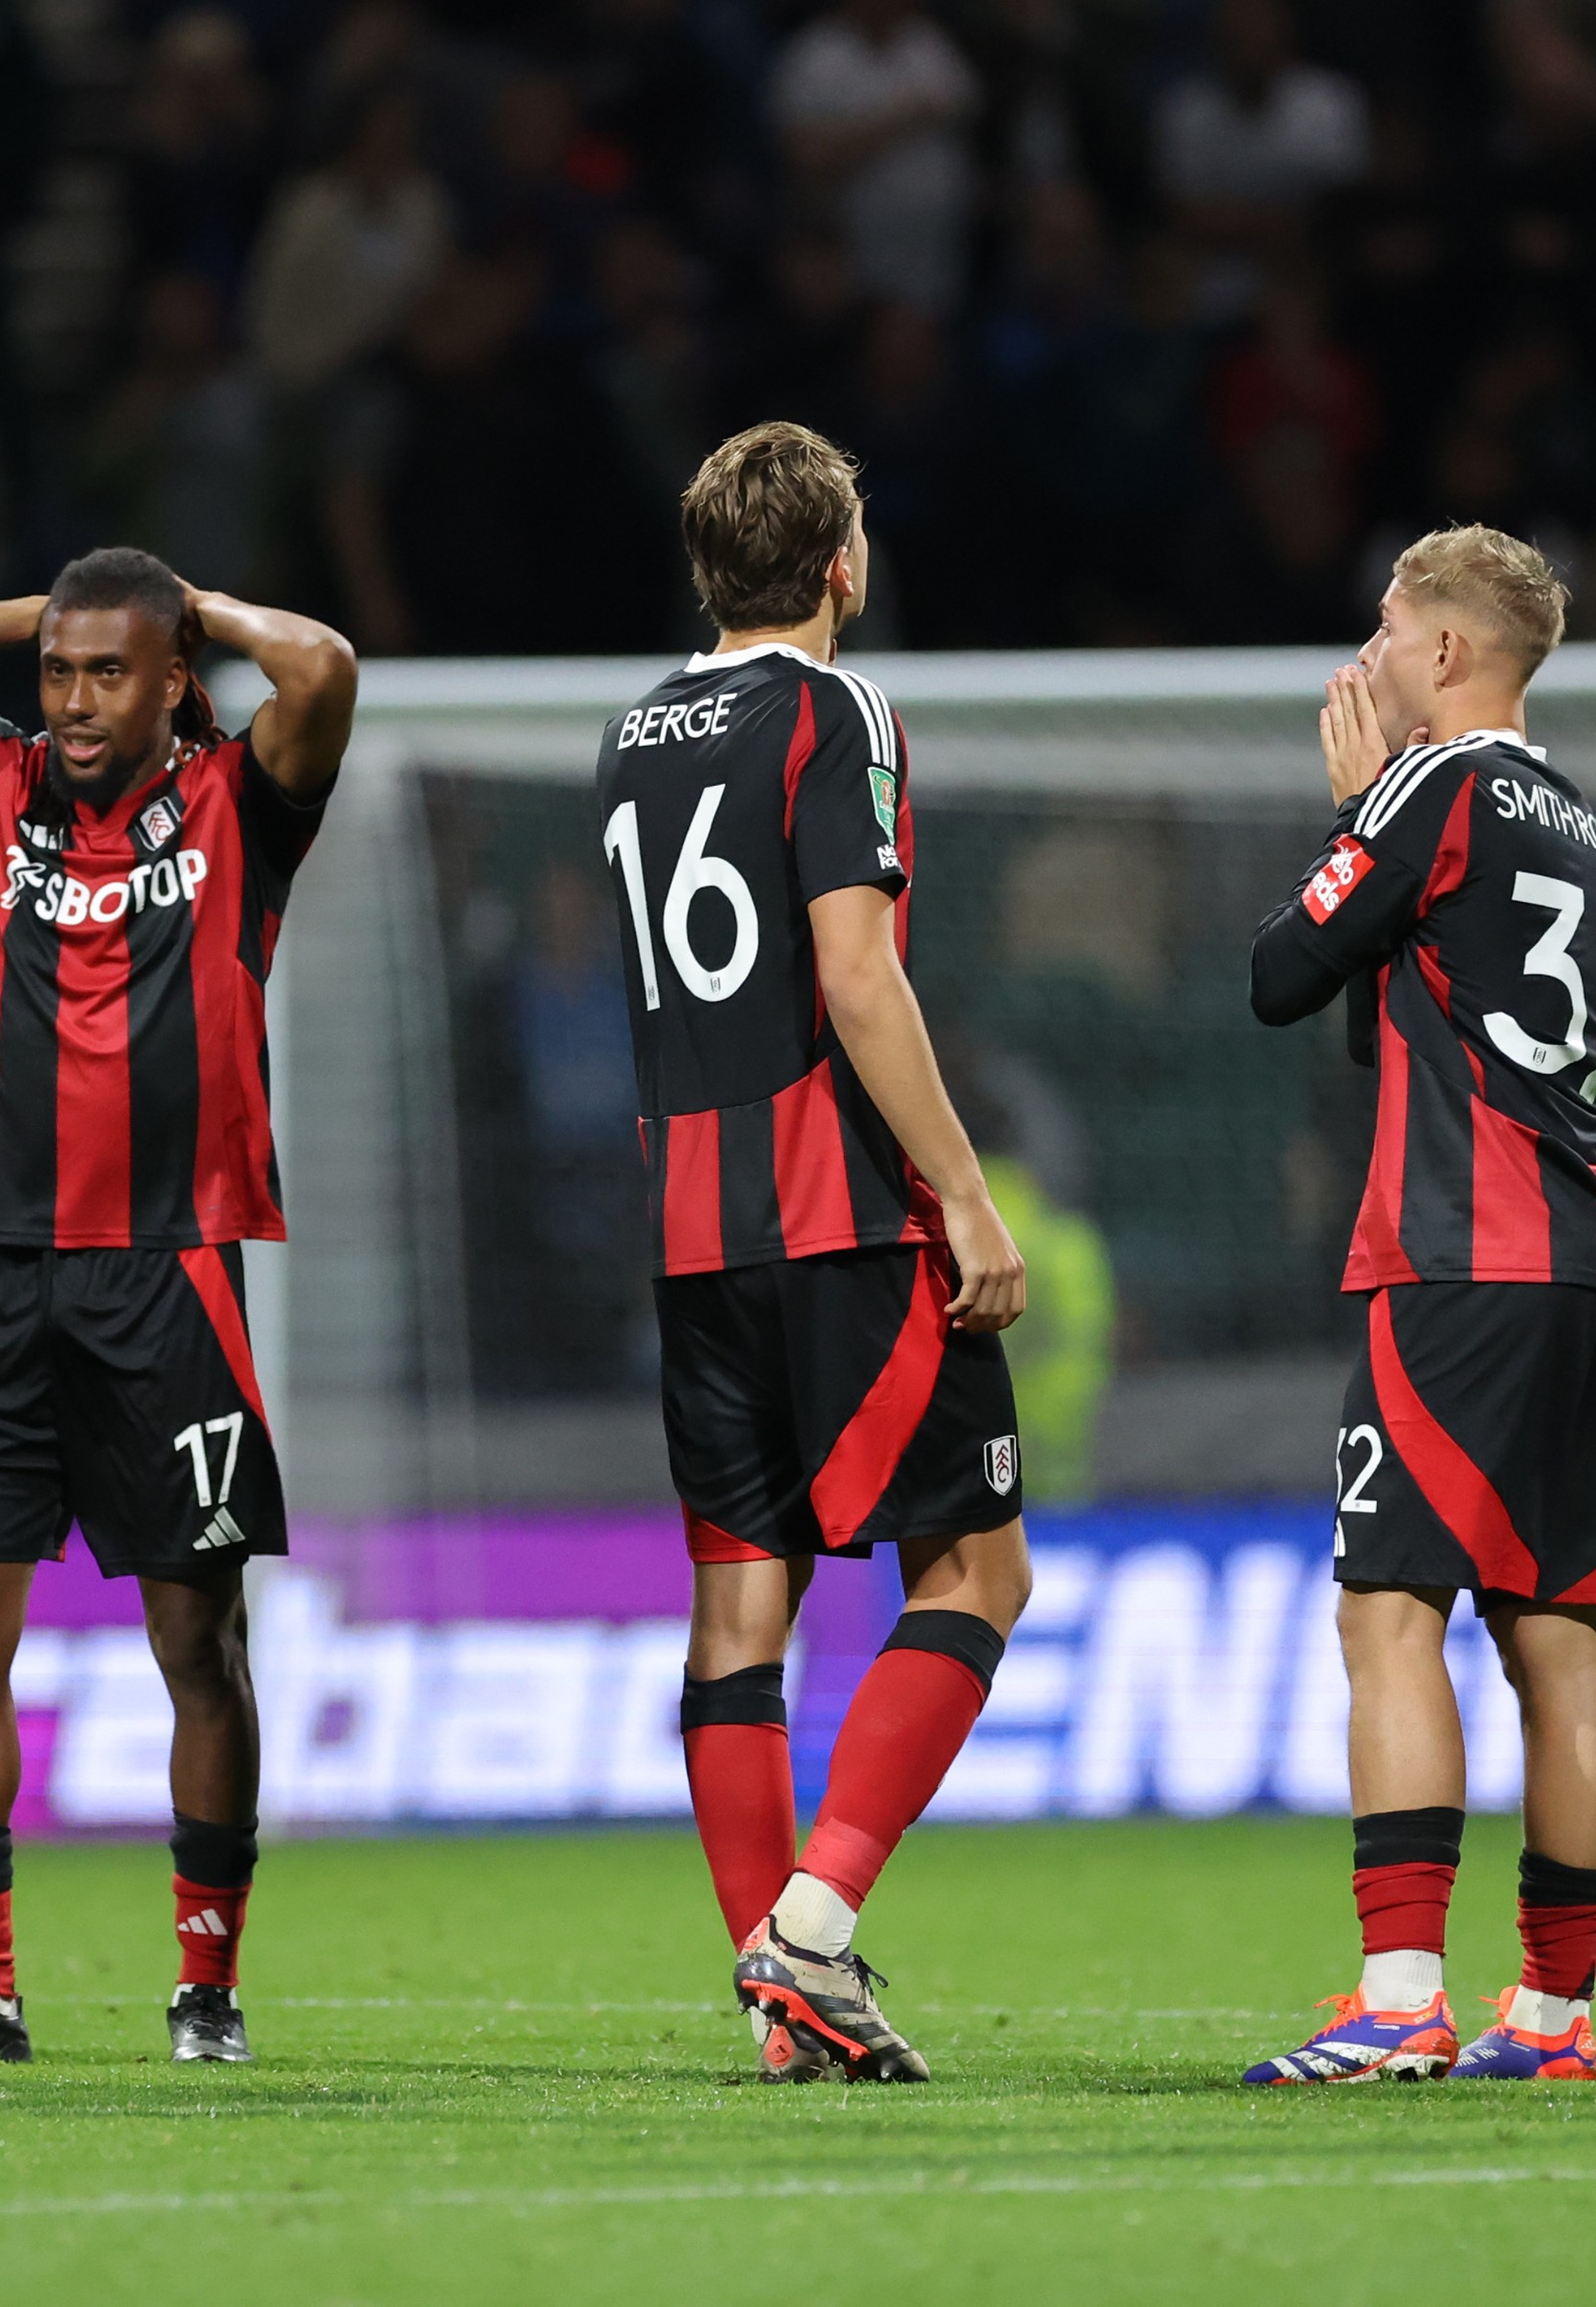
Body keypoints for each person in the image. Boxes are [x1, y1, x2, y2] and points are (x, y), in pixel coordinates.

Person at [0, 550, 356, 2069]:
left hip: (170, 1271)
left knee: (197, 1636)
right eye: (60, 672)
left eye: (111, 671)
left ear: (176, 679)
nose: (77, 700)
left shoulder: (244, 796)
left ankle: (207, 1987)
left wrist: (197, 609)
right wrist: (26, 618)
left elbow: (323, 667)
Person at [600, 422, 1031, 2085]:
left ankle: (777, 2000)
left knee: (737, 1606)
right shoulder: (835, 709)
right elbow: (856, 974)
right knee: (979, 1571)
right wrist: (968, 1193)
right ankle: (816, 1927)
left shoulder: (633, 732)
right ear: (843, 565)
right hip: (839, 1213)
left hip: (692, 1235)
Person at [1241, 527, 1596, 2088]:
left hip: (1459, 1254)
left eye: (1393, 631)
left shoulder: (1433, 783)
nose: (1371, 659)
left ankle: (1402, 1989)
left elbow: (1284, 974)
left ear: (1455, 655)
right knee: (1557, 1632)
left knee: (1388, 1607)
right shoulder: (1578, 819)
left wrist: (1347, 815)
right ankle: (1550, 2015)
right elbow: (1387, 1020)